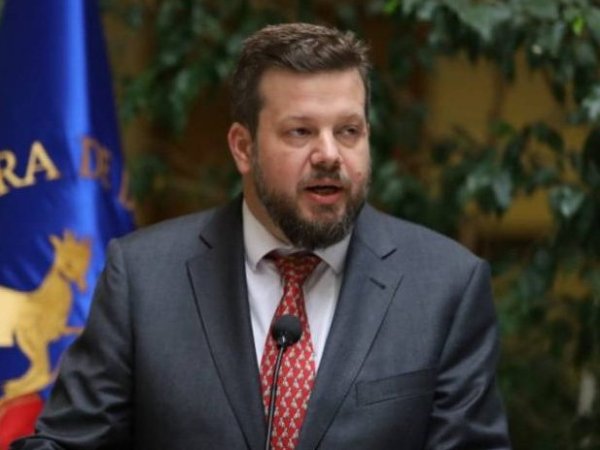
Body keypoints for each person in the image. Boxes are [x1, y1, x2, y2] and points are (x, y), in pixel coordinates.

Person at [12, 23, 511, 449]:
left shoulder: (445, 287)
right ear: (243, 147)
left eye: (348, 131)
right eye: (300, 132)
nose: (329, 154)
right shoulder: (143, 279)